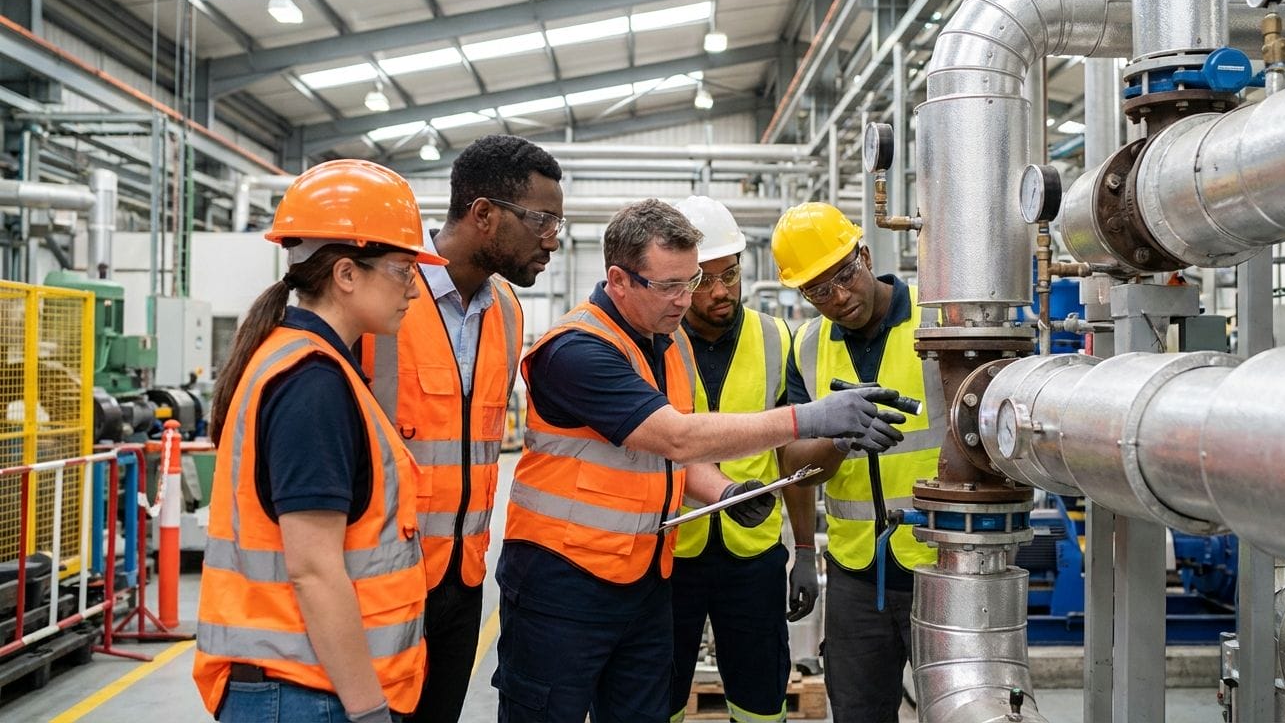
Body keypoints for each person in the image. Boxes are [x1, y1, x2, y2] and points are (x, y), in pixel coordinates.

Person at [492, 199, 907, 722]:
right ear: (619, 281)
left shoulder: (663, 345)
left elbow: (668, 460)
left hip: (642, 574)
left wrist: (725, 495)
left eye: (697, 280)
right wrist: (813, 418)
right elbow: (677, 439)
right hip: (565, 582)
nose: (691, 298)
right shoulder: (579, 351)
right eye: (673, 286)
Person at [194, 160, 443, 723]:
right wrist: (368, 709)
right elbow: (313, 569)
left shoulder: (313, 364)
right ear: (347, 274)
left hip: (303, 685)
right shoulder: (313, 384)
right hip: (308, 693)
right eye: (403, 270)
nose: (413, 289)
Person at [360, 135, 563, 723]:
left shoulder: (506, 308)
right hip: (382, 577)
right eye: (542, 220)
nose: (552, 238)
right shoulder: (383, 297)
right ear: (483, 215)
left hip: (464, 577)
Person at [771, 202, 945, 723]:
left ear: (864, 254)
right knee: (858, 712)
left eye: (844, 276)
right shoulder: (806, 346)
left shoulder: (938, 322)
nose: (839, 297)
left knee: (961, 708)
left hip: (944, 561)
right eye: (818, 291)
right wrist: (839, 439)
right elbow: (793, 464)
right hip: (855, 573)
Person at [666, 196, 814, 723]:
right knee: (658, 694)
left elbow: (791, 452)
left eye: (729, 274)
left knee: (759, 697)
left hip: (752, 554)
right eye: (703, 280)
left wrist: (804, 551)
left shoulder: (777, 338)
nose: (721, 291)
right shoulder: (654, 339)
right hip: (670, 552)